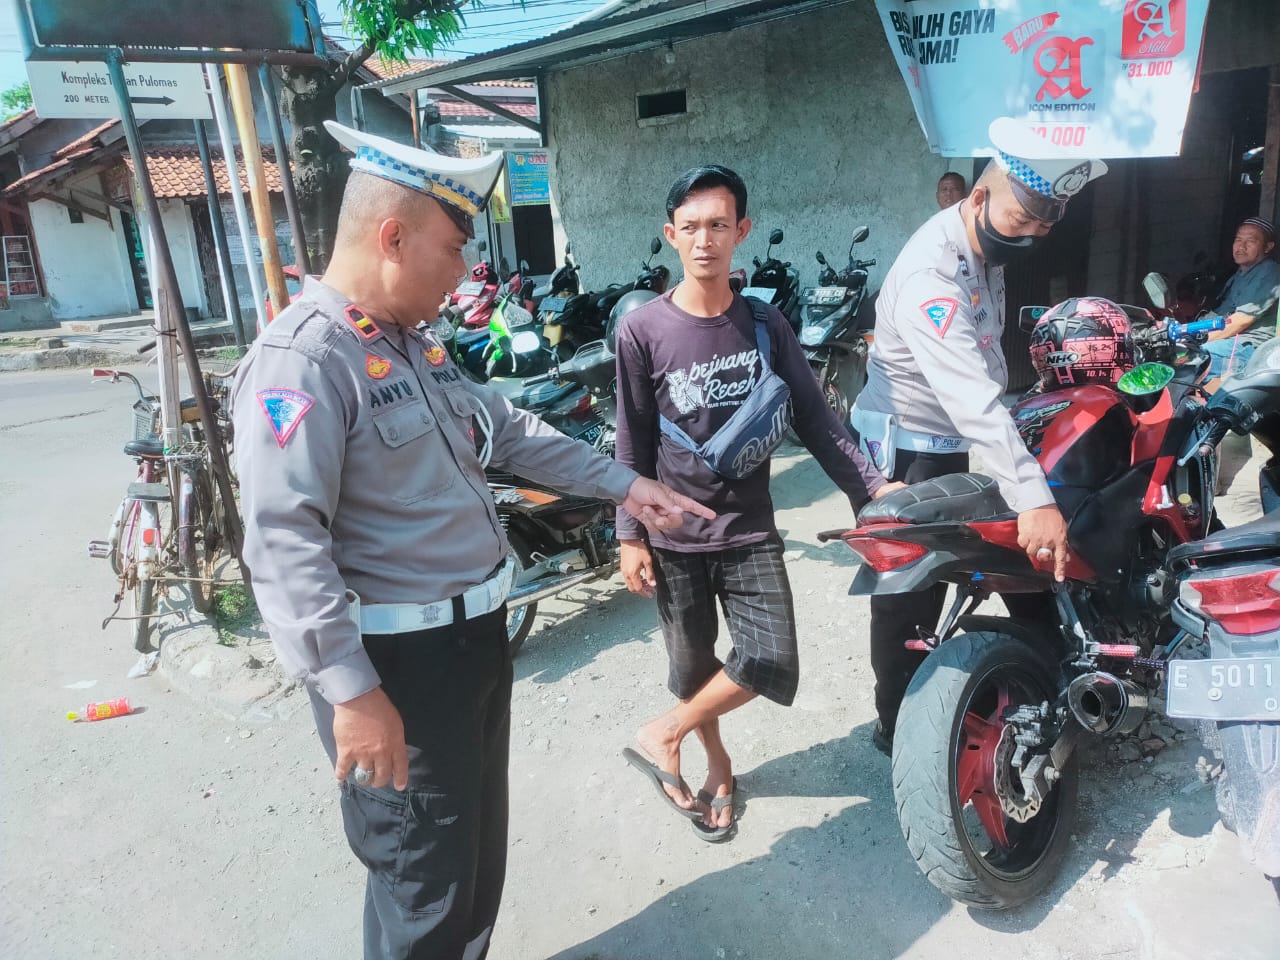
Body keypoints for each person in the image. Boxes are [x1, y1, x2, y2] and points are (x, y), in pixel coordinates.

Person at [231, 122, 712, 960]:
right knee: (422, 886)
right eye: (453, 249)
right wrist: (351, 694)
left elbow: (510, 431)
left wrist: (627, 486)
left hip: (472, 647)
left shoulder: (409, 346)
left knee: (471, 867)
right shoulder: (303, 361)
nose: (462, 273)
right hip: (398, 675)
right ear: (393, 237)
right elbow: (283, 541)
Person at [614, 165, 900, 842]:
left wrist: (872, 488)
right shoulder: (642, 331)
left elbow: (818, 418)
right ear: (671, 235)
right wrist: (629, 533)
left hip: (749, 530)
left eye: (718, 225)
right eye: (691, 227)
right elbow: (632, 436)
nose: (704, 240)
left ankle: (663, 734)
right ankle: (718, 767)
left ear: (740, 231)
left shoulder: (766, 324)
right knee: (694, 669)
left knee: (770, 658)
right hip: (673, 535)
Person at [849, 117, 1108, 754]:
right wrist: (1034, 498)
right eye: (1022, 220)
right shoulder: (931, 277)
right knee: (910, 590)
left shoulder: (984, 248)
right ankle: (899, 728)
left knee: (981, 567)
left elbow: (983, 362)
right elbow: (970, 400)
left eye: (1043, 227)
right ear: (980, 197)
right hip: (908, 445)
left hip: (952, 435)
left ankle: (1014, 687)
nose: (1030, 236)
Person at [1202, 216, 1280, 387]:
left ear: (1268, 247)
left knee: (1191, 357)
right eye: (1238, 240)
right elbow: (1221, 315)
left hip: (1250, 347)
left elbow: (1240, 321)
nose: (1241, 246)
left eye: (1250, 241)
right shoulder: (1240, 274)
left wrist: (1198, 340)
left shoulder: (1268, 272)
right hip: (1232, 342)